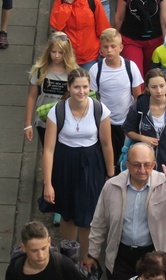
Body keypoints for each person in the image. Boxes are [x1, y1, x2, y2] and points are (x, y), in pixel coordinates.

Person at [86, 144, 166, 280]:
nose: (142, 170)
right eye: (136, 165)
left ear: (154, 164)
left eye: (147, 164)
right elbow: (99, 223)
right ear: (127, 164)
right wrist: (93, 254)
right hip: (121, 258)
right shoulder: (112, 186)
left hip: (154, 258)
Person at [41, 68, 115, 264]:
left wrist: (110, 174)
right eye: (76, 87)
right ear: (69, 87)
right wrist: (48, 183)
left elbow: (107, 144)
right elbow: (48, 149)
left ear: (89, 87)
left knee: (88, 216)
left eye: (85, 87)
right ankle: (69, 260)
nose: (81, 91)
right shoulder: (56, 111)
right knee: (67, 215)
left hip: (91, 164)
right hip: (65, 164)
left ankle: (86, 261)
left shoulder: (100, 110)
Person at [90, 28, 143, 170]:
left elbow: (138, 96)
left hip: (127, 123)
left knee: (127, 159)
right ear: (100, 49)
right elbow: (92, 100)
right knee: (108, 160)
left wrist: (135, 121)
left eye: (113, 46)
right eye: (105, 47)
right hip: (106, 123)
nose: (109, 50)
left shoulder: (130, 67)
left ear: (120, 48)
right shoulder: (96, 70)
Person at [123, 69, 166, 170]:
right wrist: (143, 138)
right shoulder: (139, 106)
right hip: (144, 164)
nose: (159, 91)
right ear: (147, 88)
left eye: (162, 86)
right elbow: (128, 130)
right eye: (154, 87)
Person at [50, 0, 111, 70]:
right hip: (68, 57)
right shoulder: (60, 2)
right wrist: (68, 3)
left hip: (90, 57)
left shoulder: (92, 0)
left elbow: (103, 29)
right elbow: (57, 26)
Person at [25, 32, 79, 144]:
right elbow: (32, 96)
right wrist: (28, 124)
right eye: (53, 52)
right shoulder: (40, 70)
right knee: (47, 152)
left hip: (66, 122)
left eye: (61, 52)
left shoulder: (73, 72)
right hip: (44, 121)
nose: (57, 56)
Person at [6, 221, 85, 279]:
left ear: (49, 242)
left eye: (43, 248)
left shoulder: (63, 264)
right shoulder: (15, 270)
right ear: (23, 248)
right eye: (34, 250)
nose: (41, 255)